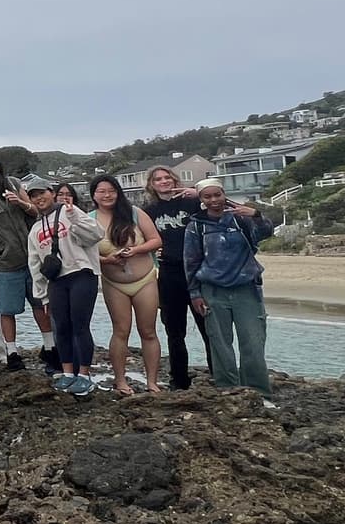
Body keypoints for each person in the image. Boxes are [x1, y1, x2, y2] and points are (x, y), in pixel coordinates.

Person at [0, 153, 56, 373]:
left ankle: (50, 347)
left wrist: (21, 203)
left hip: (32, 257)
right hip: (4, 261)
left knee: (40, 304)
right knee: (7, 309)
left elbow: (36, 213)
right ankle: (12, 353)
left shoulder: (14, 184)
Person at [185, 179, 276, 396]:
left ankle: (259, 392)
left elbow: (267, 231)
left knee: (253, 342)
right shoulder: (196, 226)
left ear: (224, 194)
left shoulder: (241, 220)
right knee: (220, 344)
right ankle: (227, 390)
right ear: (201, 199)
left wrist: (256, 214)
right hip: (212, 291)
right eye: (207, 196)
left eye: (217, 195)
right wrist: (195, 293)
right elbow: (191, 262)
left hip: (247, 289)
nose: (213, 200)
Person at [27, 176, 104, 396]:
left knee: (80, 325)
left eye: (42, 193)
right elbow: (35, 264)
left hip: (81, 273)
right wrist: (42, 295)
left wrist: (74, 218)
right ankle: (68, 373)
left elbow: (96, 234)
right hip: (57, 281)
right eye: (33, 196)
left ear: (51, 193)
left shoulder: (70, 211)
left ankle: (84, 375)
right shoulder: (35, 229)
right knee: (61, 327)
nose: (39, 198)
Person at [90, 175, 163, 398]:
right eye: (101, 191)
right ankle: (120, 380)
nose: (107, 195)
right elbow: (84, 253)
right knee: (121, 331)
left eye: (111, 190)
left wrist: (136, 250)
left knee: (148, 331)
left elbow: (156, 240)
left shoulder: (134, 213)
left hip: (145, 279)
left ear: (118, 192)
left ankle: (152, 382)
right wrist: (107, 260)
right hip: (114, 283)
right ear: (94, 195)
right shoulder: (89, 219)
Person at [143, 166, 211, 390]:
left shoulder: (191, 202)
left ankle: (218, 374)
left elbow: (219, 204)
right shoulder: (148, 211)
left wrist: (198, 193)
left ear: (174, 180)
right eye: (158, 179)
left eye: (167, 177)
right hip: (168, 273)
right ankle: (179, 380)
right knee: (174, 331)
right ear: (151, 185)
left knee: (208, 327)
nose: (163, 182)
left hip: (198, 272)